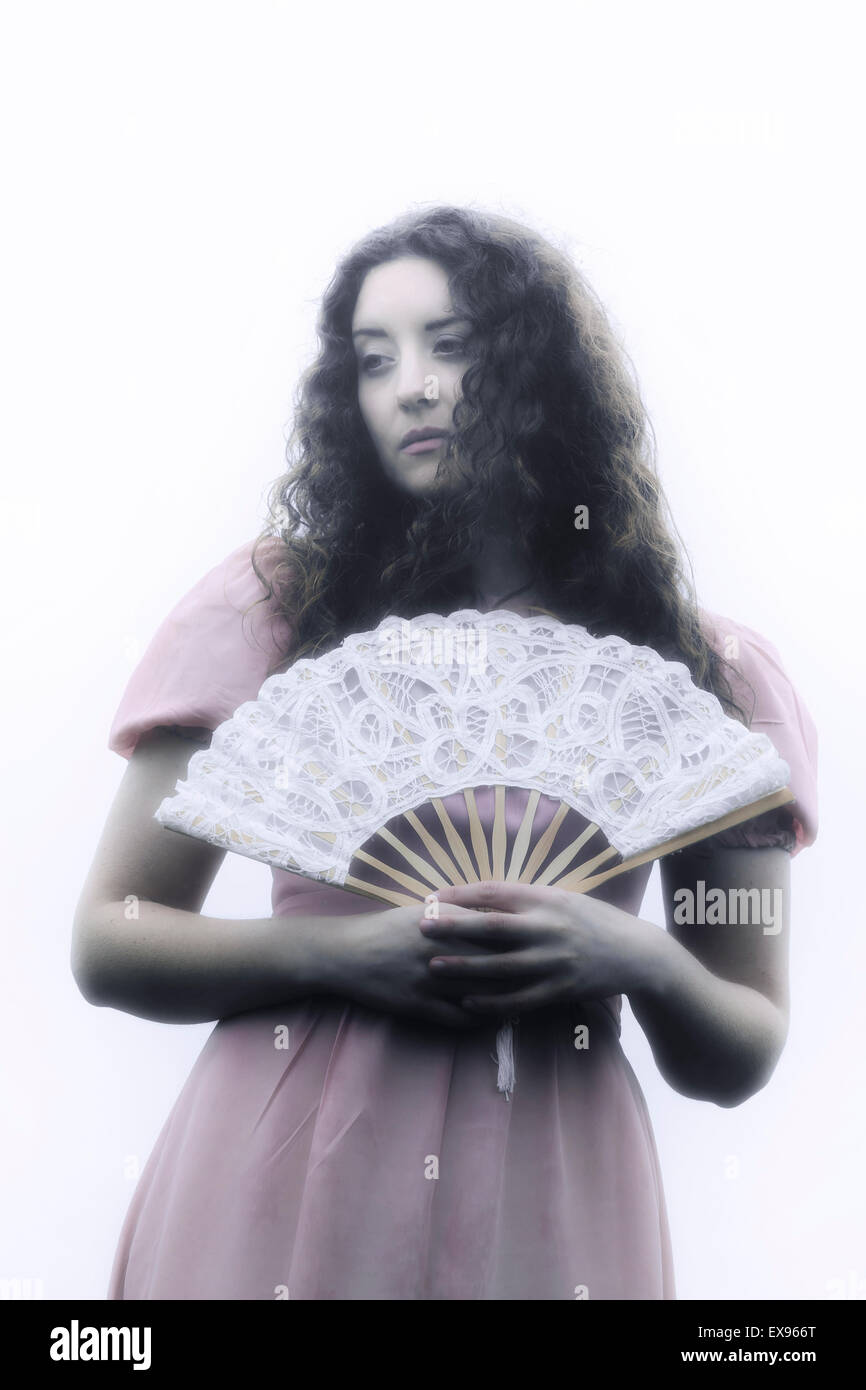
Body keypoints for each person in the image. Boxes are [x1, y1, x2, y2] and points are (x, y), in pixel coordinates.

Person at [72, 205, 818, 1300]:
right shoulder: (274, 612)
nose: (410, 385)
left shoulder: (705, 679)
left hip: (551, 1182)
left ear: (538, 371)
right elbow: (110, 936)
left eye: (450, 345)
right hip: (276, 1157)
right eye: (374, 361)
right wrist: (344, 953)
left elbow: (741, 1039)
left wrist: (632, 955)